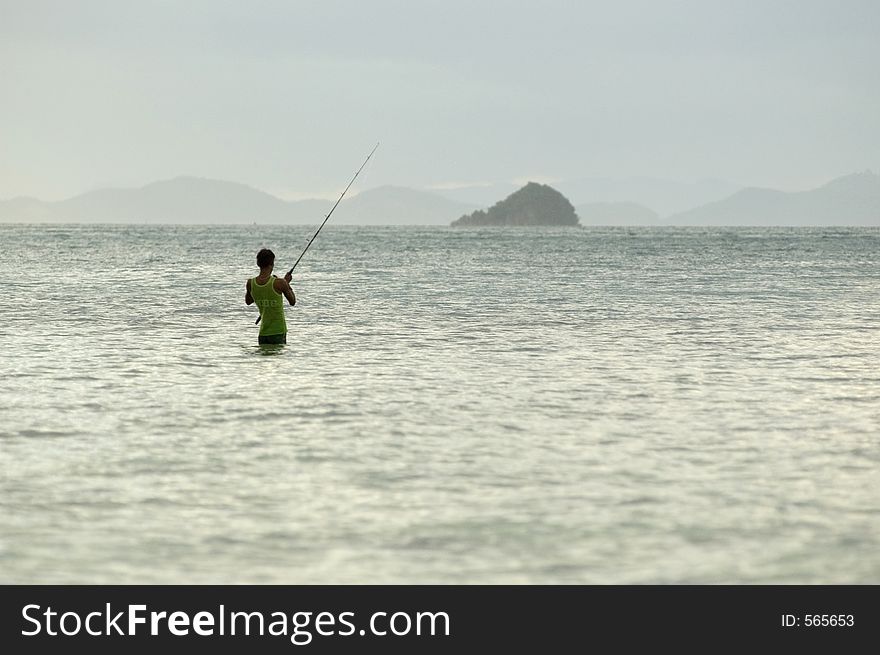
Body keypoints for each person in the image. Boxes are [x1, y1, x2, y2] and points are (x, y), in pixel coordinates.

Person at [245, 248, 296, 344]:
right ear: (272, 264)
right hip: (278, 332)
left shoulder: (250, 283)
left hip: (262, 334)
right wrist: (287, 284)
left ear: (258, 264)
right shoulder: (280, 283)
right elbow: (293, 301)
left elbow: (248, 301)